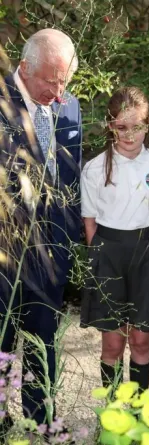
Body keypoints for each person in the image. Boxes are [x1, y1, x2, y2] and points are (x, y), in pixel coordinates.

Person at [0, 29, 82, 427]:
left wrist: (68, 240)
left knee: (42, 337)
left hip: (51, 250)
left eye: (64, 79)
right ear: (24, 67)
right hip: (5, 247)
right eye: (51, 79)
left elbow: (70, 178)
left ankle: (43, 417)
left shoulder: (71, 108)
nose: (58, 89)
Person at [80, 87, 149, 392]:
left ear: (148, 125)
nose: (129, 135)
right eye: (121, 127)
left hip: (147, 254)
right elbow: (90, 222)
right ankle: (111, 418)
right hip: (108, 255)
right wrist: (102, 258)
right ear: (110, 126)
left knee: (141, 340)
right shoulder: (95, 168)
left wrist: (145, 243)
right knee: (112, 343)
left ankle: (137, 413)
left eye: (137, 127)